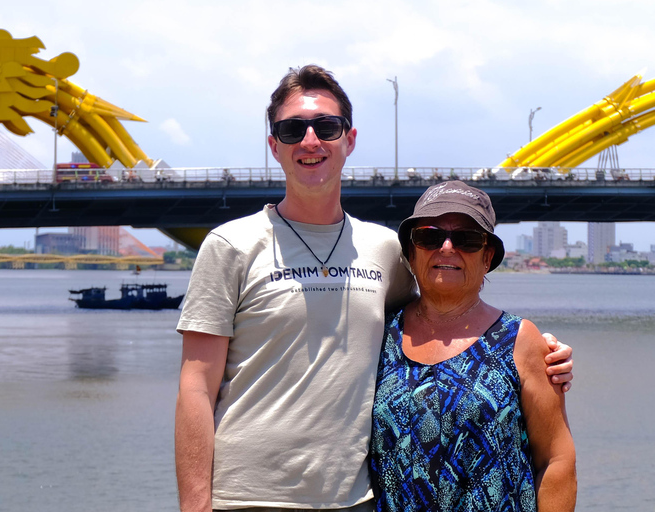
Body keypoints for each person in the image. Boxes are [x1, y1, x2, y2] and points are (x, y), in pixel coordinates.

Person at [174, 65, 574, 512]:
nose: (310, 140)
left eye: (327, 127)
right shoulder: (230, 245)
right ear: (274, 145)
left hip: (355, 501)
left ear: (349, 139)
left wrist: (541, 352)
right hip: (245, 499)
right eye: (293, 129)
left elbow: (444, 309)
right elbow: (195, 386)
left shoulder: (382, 249)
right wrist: (195, 504)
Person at [370, 181, 577, 511]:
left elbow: (557, 460)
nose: (448, 247)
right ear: (411, 252)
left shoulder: (519, 340)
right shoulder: (378, 334)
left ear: (487, 257)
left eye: (467, 239)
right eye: (429, 236)